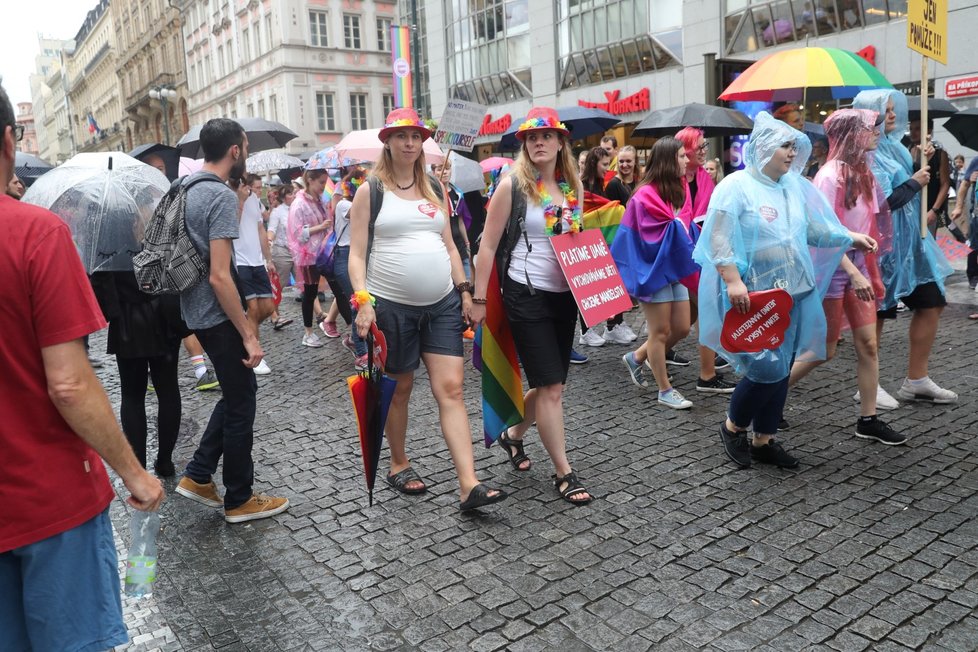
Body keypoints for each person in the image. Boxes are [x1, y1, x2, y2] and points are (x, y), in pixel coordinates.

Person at [0, 84, 165, 650]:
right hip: (49, 502)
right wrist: (134, 473)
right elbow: (69, 383)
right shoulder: (36, 234)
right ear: (8, 141)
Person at [693, 112, 877, 469]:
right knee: (765, 370)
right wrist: (733, 280)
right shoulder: (734, 187)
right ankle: (733, 427)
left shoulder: (792, 187)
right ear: (763, 148)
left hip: (791, 292)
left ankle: (764, 440)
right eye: (784, 146)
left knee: (783, 364)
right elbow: (717, 239)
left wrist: (849, 237)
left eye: (794, 146)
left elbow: (812, 230)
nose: (792, 153)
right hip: (752, 296)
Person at [348, 107, 508, 511]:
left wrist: (466, 293)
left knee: (452, 389)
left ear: (424, 143)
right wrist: (363, 301)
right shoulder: (371, 189)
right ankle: (398, 463)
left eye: (416, 137)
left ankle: (469, 483)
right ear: (388, 141)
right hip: (392, 307)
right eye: (402, 136)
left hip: (441, 305)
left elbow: (451, 246)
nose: (409, 143)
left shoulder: (436, 190)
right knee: (399, 388)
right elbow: (356, 254)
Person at [470, 106, 593, 505]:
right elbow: (486, 246)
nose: (539, 143)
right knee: (551, 387)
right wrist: (478, 299)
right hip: (525, 293)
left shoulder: (570, 188)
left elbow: (576, 243)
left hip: (564, 296)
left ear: (560, 143)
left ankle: (513, 434)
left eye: (546, 137)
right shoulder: (512, 186)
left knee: (550, 383)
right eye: (531, 138)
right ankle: (564, 472)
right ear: (525, 145)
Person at [174, 118, 289, 523]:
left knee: (235, 394)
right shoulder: (218, 197)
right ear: (236, 151)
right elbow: (220, 275)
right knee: (242, 402)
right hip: (218, 313)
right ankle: (239, 497)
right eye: (246, 148)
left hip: (194, 311)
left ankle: (199, 474)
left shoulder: (182, 188)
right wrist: (249, 334)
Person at [787, 108, 906, 445]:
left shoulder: (863, 171)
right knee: (824, 350)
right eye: (871, 128)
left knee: (868, 344)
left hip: (858, 267)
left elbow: (868, 224)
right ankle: (770, 395)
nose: (878, 132)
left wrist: (866, 268)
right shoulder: (829, 175)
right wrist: (853, 273)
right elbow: (825, 233)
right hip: (833, 269)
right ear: (852, 133)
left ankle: (868, 419)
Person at [853, 90, 956, 406]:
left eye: (893, 108)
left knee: (932, 302)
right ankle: (868, 385)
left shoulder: (894, 148)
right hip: (883, 247)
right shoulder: (865, 154)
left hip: (912, 245)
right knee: (878, 314)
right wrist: (915, 181)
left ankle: (917, 378)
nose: (892, 114)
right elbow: (884, 201)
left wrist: (921, 160)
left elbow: (911, 186)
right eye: (885, 110)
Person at [613, 137, 699, 409]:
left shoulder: (678, 189)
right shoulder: (643, 195)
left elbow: (681, 225)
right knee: (660, 331)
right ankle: (665, 390)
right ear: (668, 160)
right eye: (683, 156)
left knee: (683, 327)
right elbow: (637, 240)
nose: (687, 161)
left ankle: (638, 356)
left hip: (672, 266)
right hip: (651, 269)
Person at [133, 146, 219, 391]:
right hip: (149, 278)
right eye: (152, 168)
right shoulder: (137, 203)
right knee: (166, 328)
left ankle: (200, 370)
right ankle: (155, 371)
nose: (158, 172)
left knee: (182, 323)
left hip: (173, 271)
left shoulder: (173, 194)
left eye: (160, 168)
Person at [674, 126, 736, 393]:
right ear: (685, 150)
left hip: (703, 254)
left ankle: (646, 355)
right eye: (699, 147)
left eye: (705, 146)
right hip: (680, 254)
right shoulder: (673, 181)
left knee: (698, 313)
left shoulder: (704, 178)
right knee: (703, 312)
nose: (704, 151)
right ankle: (707, 376)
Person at [579, 146, 637, 347]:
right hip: (586, 244)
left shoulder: (603, 186)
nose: (608, 168)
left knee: (609, 282)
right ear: (594, 164)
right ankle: (585, 331)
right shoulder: (581, 186)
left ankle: (612, 325)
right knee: (587, 286)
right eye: (605, 164)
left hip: (602, 242)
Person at [230, 175, 275, 375]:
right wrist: (239, 199)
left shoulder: (255, 199)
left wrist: (269, 259)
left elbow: (260, 230)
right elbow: (230, 227)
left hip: (257, 260)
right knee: (253, 308)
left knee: (268, 307)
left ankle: (244, 332)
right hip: (239, 261)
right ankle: (255, 354)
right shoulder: (230, 197)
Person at [288, 168, 332, 347]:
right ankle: (308, 332)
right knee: (310, 293)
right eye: (321, 182)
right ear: (311, 180)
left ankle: (330, 323)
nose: (323, 186)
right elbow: (298, 233)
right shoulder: (299, 204)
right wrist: (321, 227)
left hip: (322, 253)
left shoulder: (318, 201)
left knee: (332, 288)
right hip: (308, 256)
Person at [332, 171, 369, 368]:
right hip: (344, 256)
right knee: (358, 301)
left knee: (363, 300)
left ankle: (356, 340)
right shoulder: (344, 204)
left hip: (357, 253)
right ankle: (361, 354)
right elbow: (360, 214)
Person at [908, 117, 952, 238]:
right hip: (910, 207)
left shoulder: (939, 153)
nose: (913, 132)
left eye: (917, 128)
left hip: (929, 208)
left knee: (926, 244)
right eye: (911, 128)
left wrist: (934, 210)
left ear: (928, 131)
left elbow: (945, 184)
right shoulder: (907, 150)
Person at [265, 184, 296, 329]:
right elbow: (271, 229)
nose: (294, 195)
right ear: (284, 197)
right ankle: (275, 315)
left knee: (307, 284)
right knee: (280, 285)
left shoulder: (299, 209)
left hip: (298, 252)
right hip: (282, 252)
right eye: (290, 193)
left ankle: (320, 313)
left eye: (294, 193)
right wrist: (269, 240)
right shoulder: (277, 212)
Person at [950, 156, 978, 289]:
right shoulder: (976, 161)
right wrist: (959, 206)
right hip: (977, 213)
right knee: (974, 245)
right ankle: (973, 276)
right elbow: (964, 184)